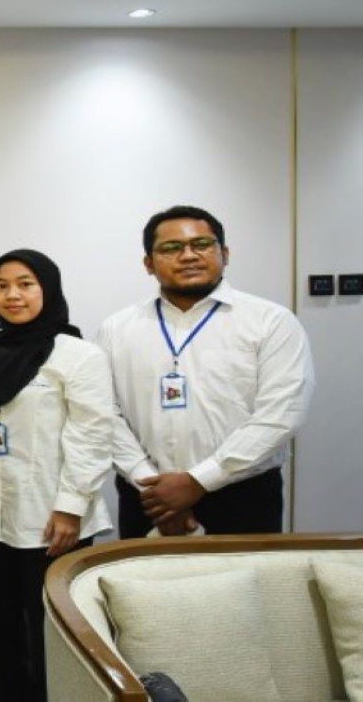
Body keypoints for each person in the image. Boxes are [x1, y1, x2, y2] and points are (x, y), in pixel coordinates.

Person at [96, 205, 315, 537]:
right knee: (144, 588)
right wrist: (151, 485)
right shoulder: (117, 328)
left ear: (224, 254)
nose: (188, 256)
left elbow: (282, 414)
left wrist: (198, 481)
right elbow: (103, 413)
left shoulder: (270, 321)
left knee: (247, 588)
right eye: (171, 248)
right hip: (148, 497)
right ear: (148, 263)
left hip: (243, 495)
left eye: (201, 245)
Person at [0, 249, 114, 702]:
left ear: (47, 288)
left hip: (51, 515)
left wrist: (71, 508)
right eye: (1, 285)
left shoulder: (79, 356)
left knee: (54, 630)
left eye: (26, 284)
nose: (12, 295)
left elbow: (92, 436)